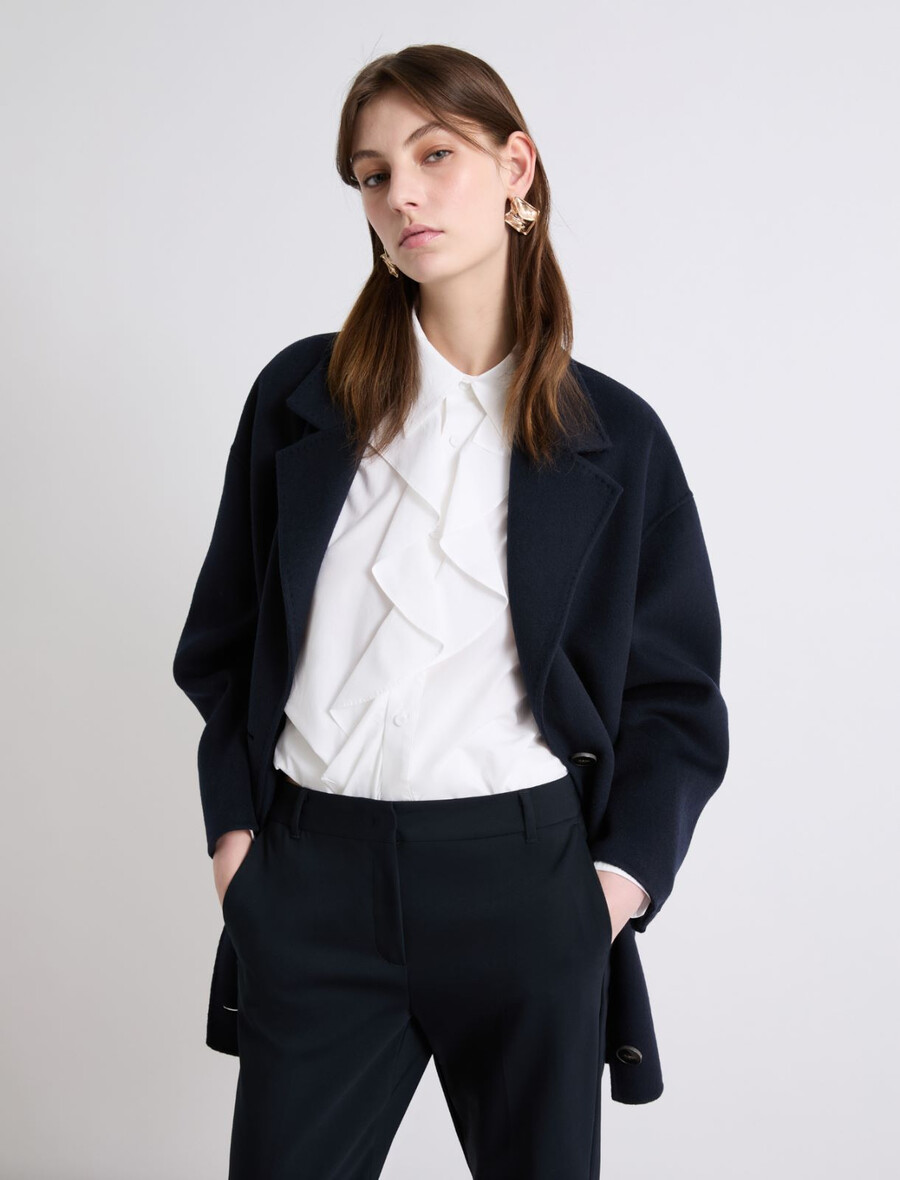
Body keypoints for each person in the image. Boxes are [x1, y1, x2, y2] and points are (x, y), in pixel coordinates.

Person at [173, 44, 729, 1180]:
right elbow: (224, 644)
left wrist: (612, 888)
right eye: (374, 174)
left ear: (517, 168)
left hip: (529, 883)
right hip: (311, 877)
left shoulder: (617, 438)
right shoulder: (298, 400)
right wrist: (238, 847)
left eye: (435, 156)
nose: (402, 196)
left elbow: (676, 697)